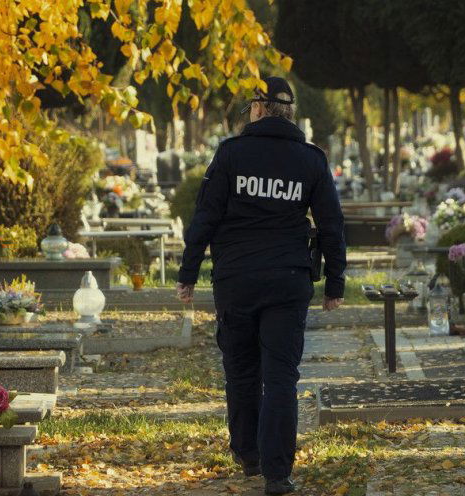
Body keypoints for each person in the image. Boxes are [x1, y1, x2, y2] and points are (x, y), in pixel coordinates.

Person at [175, 76, 346, 495]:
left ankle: (248, 453)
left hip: (236, 280)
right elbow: (331, 225)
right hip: (288, 279)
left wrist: (188, 272)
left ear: (259, 108)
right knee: (282, 376)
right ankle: (277, 473)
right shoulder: (311, 160)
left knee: (241, 370)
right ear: (289, 111)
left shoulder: (231, 154)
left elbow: (206, 217)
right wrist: (335, 283)